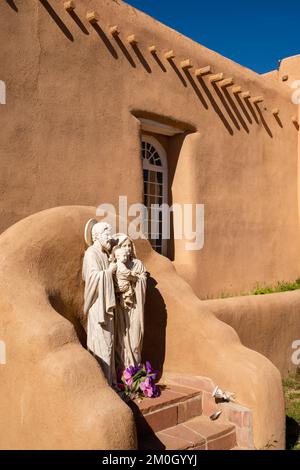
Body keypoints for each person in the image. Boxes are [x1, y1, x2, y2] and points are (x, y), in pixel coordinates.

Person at [82, 219, 117, 386]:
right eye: (106, 234)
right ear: (96, 236)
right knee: (101, 343)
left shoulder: (104, 254)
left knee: (109, 343)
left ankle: (111, 381)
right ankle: (103, 383)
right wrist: (109, 272)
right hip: (98, 307)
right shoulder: (91, 254)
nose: (109, 237)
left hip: (107, 305)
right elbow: (92, 278)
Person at [112, 233, 147, 372]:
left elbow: (143, 279)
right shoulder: (115, 266)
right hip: (121, 307)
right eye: (123, 246)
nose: (127, 249)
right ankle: (124, 373)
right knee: (121, 340)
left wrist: (137, 280)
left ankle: (135, 371)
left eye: (129, 246)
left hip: (135, 306)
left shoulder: (137, 264)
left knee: (135, 341)